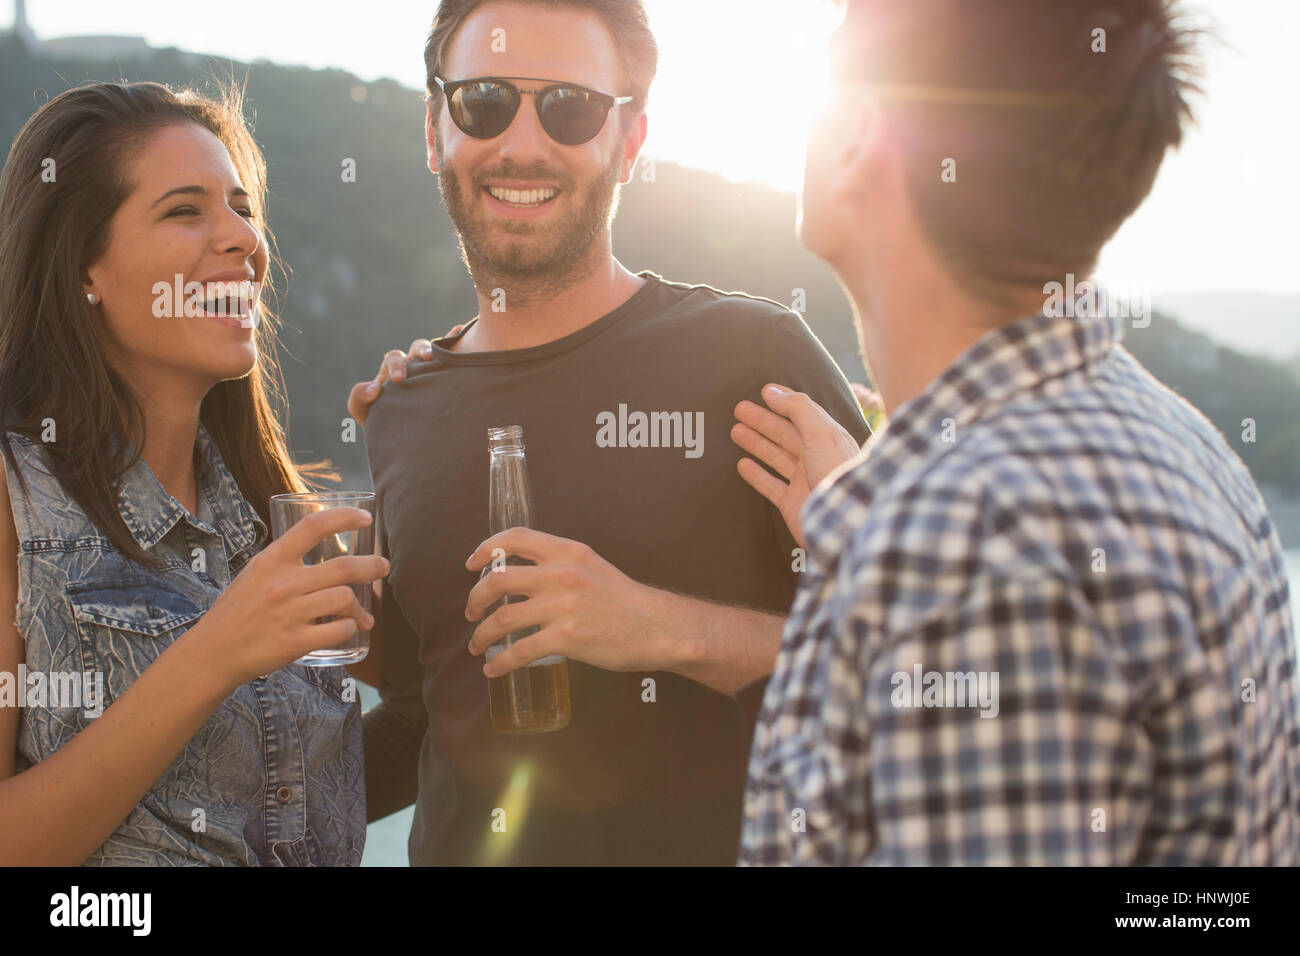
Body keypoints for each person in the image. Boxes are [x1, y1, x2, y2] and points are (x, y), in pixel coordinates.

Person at [733, 0, 1300, 864]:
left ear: (856, 133)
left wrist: (909, 539)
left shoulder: (966, 554)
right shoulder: (1179, 442)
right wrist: (873, 502)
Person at [346, 0, 871, 865]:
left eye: (569, 106)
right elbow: (429, 714)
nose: (522, 143)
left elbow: (905, 666)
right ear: (436, 127)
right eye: (483, 101)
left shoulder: (756, 361)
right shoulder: (400, 407)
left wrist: (660, 628)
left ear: (629, 142)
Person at [0, 81, 391, 865]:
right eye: (186, 210)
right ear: (85, 268)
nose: (243, 238)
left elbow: (424, 723)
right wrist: (215, 653)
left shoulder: (277, 522)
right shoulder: (17, 499)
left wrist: (429, 427)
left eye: (243, 208)